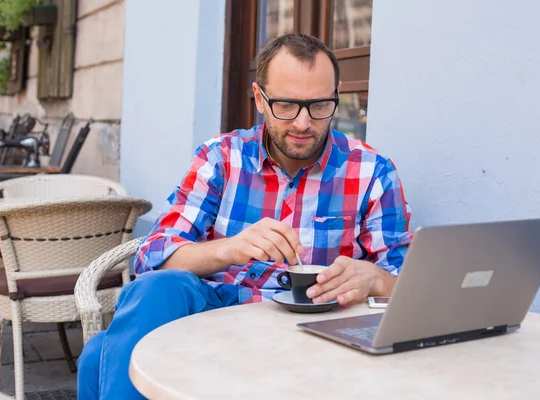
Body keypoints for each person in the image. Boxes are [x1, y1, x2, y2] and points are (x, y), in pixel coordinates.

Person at [77, 33, 413, 399]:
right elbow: (152, 254)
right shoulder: (221, 157)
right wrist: (230, 249)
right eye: (286, 105)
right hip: (212, 317)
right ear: (259, 98)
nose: (303, 123)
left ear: (336, 96)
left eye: (319, 105)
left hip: (314, 334)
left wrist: (373, 277)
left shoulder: (372, 172)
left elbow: (410, 287)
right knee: (158, 287)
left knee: (97, 357)